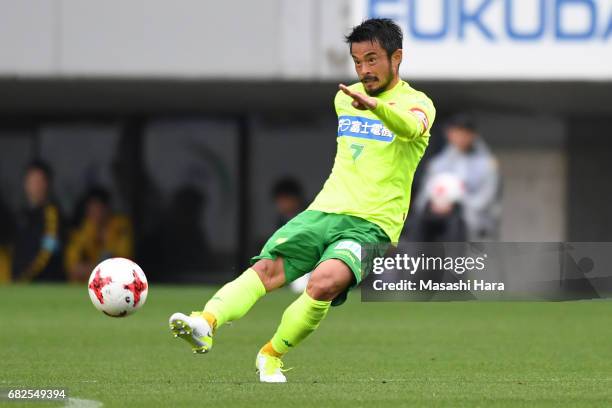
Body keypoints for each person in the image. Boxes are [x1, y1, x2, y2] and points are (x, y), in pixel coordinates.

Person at [168, 18, 436, 383]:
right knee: (267, 270)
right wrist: (365, 101)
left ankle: (271, 354)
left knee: (323, 282)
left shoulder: (417, 104)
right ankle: (205, 322)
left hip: (374, 226)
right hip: (324, 210)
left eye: (372, 59)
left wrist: (375, 106)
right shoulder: (345, 98)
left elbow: (411, 127)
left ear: (397, 57)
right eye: (358, 62)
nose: (364, 70)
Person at [414, 114, 500, 241]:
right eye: (456, 132)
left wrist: (458, 203)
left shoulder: (487, 165)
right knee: (418, 226)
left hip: (470, 220)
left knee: (456, 226)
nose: (460, 137)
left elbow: (486, 198)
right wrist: (434, 205)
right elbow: (425, 194)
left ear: (473, 135)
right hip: (437, 216)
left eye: (464, 133)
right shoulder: (438, 163)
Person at [64, 186, 133, 283]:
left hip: (116, 286)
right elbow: (72, 268)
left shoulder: (120, 226)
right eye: (91, 208)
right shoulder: (81, 230)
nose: (95, 212)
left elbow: (124, 264)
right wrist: (105, 269)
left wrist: (91, 268)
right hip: (85, 287)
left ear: (107, 208)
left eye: (98, 208)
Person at [12, 160, 64, 282]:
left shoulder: (51, 214)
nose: (35, 186)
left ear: (47, 184)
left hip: (45, 282)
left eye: (39, 181)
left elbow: (47, 251)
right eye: (32, 181)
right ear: (25, 183)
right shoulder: (20, 214)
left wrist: (25, 276)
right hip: (19, 283)